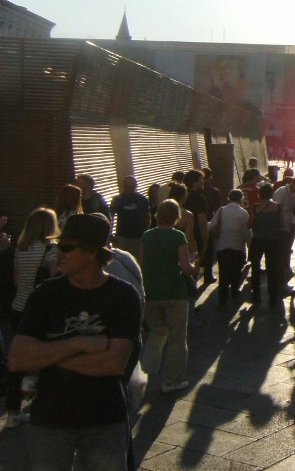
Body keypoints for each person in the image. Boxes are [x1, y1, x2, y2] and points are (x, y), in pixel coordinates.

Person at [8, 213, 142, 470]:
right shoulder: (45, 294)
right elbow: (17, 358)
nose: (59, 254)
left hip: (106, 420)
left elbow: (113, 364)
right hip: (49, 420)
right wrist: (79, 343)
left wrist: (49, 356)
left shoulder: (123, 296)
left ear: (92, 252)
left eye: (67, 247)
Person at [5, 208, 59, 428]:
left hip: (18, 306)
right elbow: (55, 280)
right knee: (43, 358)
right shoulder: (50, 249)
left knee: (17, 359)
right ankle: (38, 404)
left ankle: (12, 411)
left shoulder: (21, 248)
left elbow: (18, 281)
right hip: (40, 309)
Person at [140, 200, 196, 393]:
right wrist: (196, 265)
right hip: (174, 292)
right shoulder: (178, 236)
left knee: (156, 333)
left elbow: (142, 264)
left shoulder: (146, 236)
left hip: (151, 291)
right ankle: (171, 381)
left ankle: (144, 373)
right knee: (176, 338)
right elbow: (186, 269)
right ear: (176, 217)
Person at [209, 189, 249, 305]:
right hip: (237, 246)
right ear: (241, 199)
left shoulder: (221, 210)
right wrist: (249, 243)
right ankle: (235, 290)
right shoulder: (243, 213)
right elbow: (246, 231)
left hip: (222, 245)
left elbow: (212, 225)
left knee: (223, 272)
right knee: (236, 270)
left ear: (229, 198)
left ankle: (222, 297)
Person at [272, 175, 295, 296]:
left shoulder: (292, 195)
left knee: (285, 254)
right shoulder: (281, 192)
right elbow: (275, 209)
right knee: (281, 257)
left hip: (288, 228)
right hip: (281, 230)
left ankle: (281, 282)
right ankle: (280, 284)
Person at [247, 183, 281, 305]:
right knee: (271, 268)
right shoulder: (277, 207)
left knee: (255, 268)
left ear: (259, 194)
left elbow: (250, 224)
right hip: (273, 240)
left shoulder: (255, 207)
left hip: (258, 239)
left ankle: (256, 296)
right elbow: (280, 224)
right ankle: (273, 297)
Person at [109, 175, 150, 261]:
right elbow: (111, 217)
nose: (129, 188)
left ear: (135, 186)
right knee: (120, 261)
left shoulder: (142, 200)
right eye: (127, 186)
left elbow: (147, 217)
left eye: (131, 186)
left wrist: (146, 233)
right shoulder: (117, 199)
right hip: (121, 236)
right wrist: (110, 233)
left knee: (136, 261)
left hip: (137, 237)